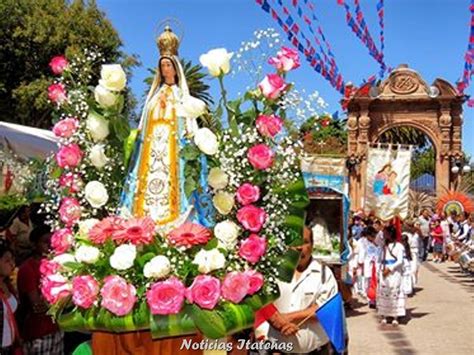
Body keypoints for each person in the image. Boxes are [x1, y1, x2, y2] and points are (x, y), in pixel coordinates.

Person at [119, 26, 208, 233]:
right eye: (163, 66)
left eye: (168, 65)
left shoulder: (181, 96)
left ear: (176, 68)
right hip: (151, 157)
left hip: (173, 154)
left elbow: (187, 123)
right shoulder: (153, 97)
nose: (165, 69)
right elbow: (144, 123)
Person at [257, 226, 339, 354]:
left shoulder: (324, 273)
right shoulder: (273, 272)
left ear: (312, 245)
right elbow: (261, 300)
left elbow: (325, 308)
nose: (300, 247)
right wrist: (277, 322)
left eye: (305, 242)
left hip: (316, 351)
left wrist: (287, 318)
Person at [17, 225, 64, 354]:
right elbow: (37, 306)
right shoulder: (27, 269)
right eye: (45, 242)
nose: (50, 246)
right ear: (34, 245)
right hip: (39, 332)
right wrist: (61, 299)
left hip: (56, 328)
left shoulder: (56, 264)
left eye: (52, 242)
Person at [377, 225, 406, 326]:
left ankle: (395, 316)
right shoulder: (384, 246)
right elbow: (380, 258)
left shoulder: (399, 246)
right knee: (384, 292)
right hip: (384, 270)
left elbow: (400, 261)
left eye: (386, 233)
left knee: (395, 292)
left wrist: (390, 269)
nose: (384, 235)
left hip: (394, 272)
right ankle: (384, 315)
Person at [0, 240, 20, 353]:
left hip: (10, 347)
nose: (12, 264)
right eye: (7, 260)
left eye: (12, 259)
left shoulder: (8, 285)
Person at [362, 227, 381, 307]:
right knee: (368, 281)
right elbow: (362, 254)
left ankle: (375, 299)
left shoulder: (378, 242)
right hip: (368, 264)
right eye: (371, 235)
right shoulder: (363, 242)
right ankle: (370, 299)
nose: (373, 237)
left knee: (377, 281)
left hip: (377, 264)